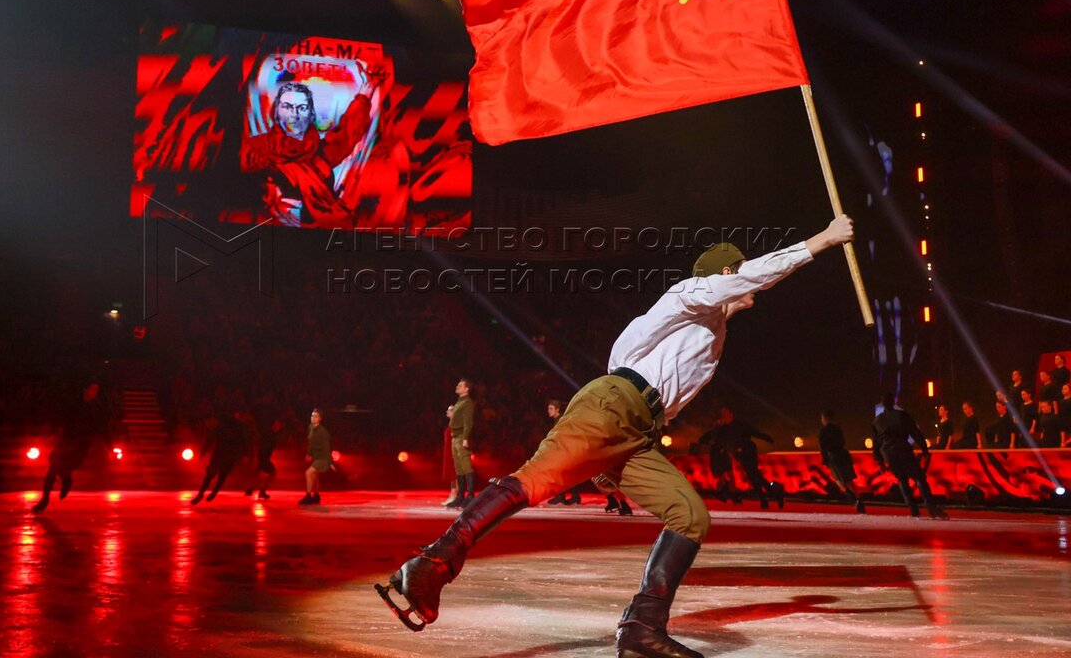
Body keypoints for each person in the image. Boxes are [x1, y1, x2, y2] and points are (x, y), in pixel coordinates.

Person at [375, 216, 854, 658]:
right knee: (533, 482)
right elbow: (752, 277)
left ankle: (642, 627)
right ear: (727, 274)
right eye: (741, 272)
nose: (753, 284)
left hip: (637, 428)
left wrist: (611, 459)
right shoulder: (690, 295)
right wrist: (823, 240)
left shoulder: (708, 333)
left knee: (689, 516)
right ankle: (431, 564)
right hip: (614, 405)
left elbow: (658, 386)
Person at [241, 65, 386, 228]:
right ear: (276, 113)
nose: (294, 114)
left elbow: (348, 130)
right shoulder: (256, 149)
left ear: (310, 115)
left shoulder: (319, 154)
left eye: (301, 108)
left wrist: (368, 88)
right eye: (287, 106)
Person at [32, 380, 108, 515]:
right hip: (66, 440)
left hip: (81, 444)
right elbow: (63, 417)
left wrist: (106, 442)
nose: (95, 392)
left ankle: (66, 480)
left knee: (64, 467)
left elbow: (99, 426)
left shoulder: (97, 408)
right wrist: (57, 429)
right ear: (85, 389)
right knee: (53, 468)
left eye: (96, 390)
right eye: (92, 389)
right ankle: (45, 499)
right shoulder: (74, 403)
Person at [872, 392, 948, 520]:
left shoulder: (877, 421)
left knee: (902, 479)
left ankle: (913, 509)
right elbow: (915, 432)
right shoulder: (902, 415)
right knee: (919, 478)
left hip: (889, 454)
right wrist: (924, 450)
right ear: (893, 402)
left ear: (883, 404)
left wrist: (880, 462)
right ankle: (931, 508)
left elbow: (876, 445)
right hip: (903, 450)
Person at [718, 408, 782, 509]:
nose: (724, 416)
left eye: (725, 414)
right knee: (755, 476)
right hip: (742, 455)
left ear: (731, 414)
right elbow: (723, 440)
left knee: (754, 475)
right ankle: (771, 495)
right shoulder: (726, 428)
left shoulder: (740, 425)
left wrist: (767, 438)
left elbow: (754, 432)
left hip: (749, 452)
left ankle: (767, 497)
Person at [192, 409, 255, 505]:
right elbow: (244, 441)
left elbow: (212, 437)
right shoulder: (240, 426)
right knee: (222, 476)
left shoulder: (223, 424)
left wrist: (205, 450)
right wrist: (245, 454)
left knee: (210, 475)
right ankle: (213, 492)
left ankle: (201, 493)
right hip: (230, 454)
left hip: (220, 452)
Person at [819, 410, 864, 513]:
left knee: (839, 479)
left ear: (824, 419)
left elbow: (823, 446)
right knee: (849, 480)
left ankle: (852, 498)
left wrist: (825, 459)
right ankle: (858, 498)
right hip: (844, 455)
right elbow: (843, 441)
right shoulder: (838, 429)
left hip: (834, 457)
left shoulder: (824, 431)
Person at [446, 378, 476, 509]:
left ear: (466, 389)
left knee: (466, 466)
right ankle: (460, 496)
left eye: (460, 385)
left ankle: (470, 496)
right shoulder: (460, 401)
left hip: (461, 437)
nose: (457, 386)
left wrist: (465, 438)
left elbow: (468, 422)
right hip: (455, 437)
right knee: (458, 467)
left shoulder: (467, 402)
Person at [546, 399, 581, 505]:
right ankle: (572, 496)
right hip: (564, 449)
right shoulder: (558, 419)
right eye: (549, 408)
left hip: (565, 450)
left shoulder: (560, 419)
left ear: (557, 410)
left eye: (551, 408)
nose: (549, 411)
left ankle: (563, 496)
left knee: (562, 474)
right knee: (565, 475)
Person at [246, 409, 282, 500]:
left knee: (260, 474)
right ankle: (259, 490)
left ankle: (252, 489)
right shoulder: (270, 434)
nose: (279, 426)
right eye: (277, 424)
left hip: (263, 457)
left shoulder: (271, 434)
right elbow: (264, 445)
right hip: (264, 457)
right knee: (271, 473)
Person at [300, 408, 332, 505]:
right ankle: (316, 496)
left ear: (320, 419)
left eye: (316, 416)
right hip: (316, 457)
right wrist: (308, 454)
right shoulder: (310, 427)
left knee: (308, 473)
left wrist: (329, 462)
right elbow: (311, 443)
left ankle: (308, 496)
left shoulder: (323, 432)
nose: (313, 418)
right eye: (312, 416)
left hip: (323, 458)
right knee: (315, 476)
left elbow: (327, 448)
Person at [441, 404, 457, 506]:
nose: (447, 412)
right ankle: (452, 494)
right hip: (448, 451)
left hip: (453, 451)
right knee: (451, 475)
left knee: (455, 475)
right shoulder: (451, 423)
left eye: (449, 410)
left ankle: (455, 495)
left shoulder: (456, 424)